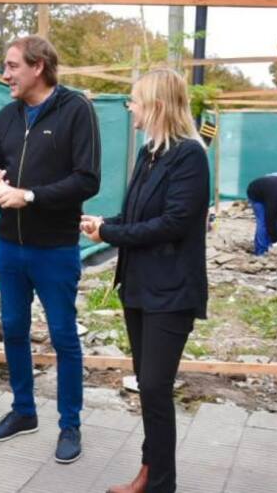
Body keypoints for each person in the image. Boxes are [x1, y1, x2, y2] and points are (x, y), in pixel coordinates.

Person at [80, 69, 209, 493]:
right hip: (138, 286)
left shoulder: (190, 155)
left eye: (134, 100)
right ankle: (150, 473)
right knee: (149, 389)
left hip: (171, 292)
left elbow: (172, 223)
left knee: (155, 388)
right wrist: (104, 223)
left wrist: (112, 233)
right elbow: (138, 216)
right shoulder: (149, 154)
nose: (129, 107)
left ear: (155, 105)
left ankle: (160, 483)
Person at [0, 35, 101, 464]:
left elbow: (87, 180)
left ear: (39, 67)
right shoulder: (6, 117)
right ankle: (24, 411)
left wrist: (28, 196)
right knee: (12, 329)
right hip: (10, 247)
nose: (5, 74)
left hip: (54, 248)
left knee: (64, 336)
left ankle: (70, 424)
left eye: (12, 66)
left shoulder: (76, 110)